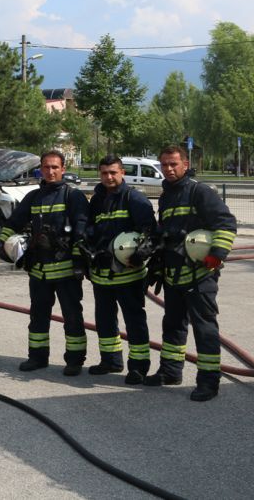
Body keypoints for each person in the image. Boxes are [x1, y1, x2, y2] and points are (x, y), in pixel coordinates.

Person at [145, 145, 237, 401]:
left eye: (174, 164)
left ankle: (209, 381)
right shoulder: (167, 196)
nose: (169, 169)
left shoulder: (199, 191)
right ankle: (171, 372)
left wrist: (215, 256)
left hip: (199, 274)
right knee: (173, 324)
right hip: (174, 274)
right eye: (164, 164)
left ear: (185, 164)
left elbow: (226, 223)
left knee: (204, 328)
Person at [0, 150, 89, 376]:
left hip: (66, 271)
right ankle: (37, 357)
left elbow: (82, 228)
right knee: (38, 316)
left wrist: (79, 260)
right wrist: (1, 242)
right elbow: (14, 222)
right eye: (46, 167)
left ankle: (75, 360)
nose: (50, 171)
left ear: (63, 169)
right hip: (39, 271)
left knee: (72, 316)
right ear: (41, 169)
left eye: (55, 167)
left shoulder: (72, 196)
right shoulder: (33, 197)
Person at [83, 155, 156, 384]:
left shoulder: (134, 198)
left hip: (129, 274)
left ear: (123, 172)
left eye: (113, 172)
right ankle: (111, 360)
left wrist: (140, 254)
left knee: (134, 320)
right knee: (104, 320)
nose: (109, 177)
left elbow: (150, 232)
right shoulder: (96, 201)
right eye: (104, 173)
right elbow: (90, 231)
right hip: (102, 275)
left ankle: (138, 367)